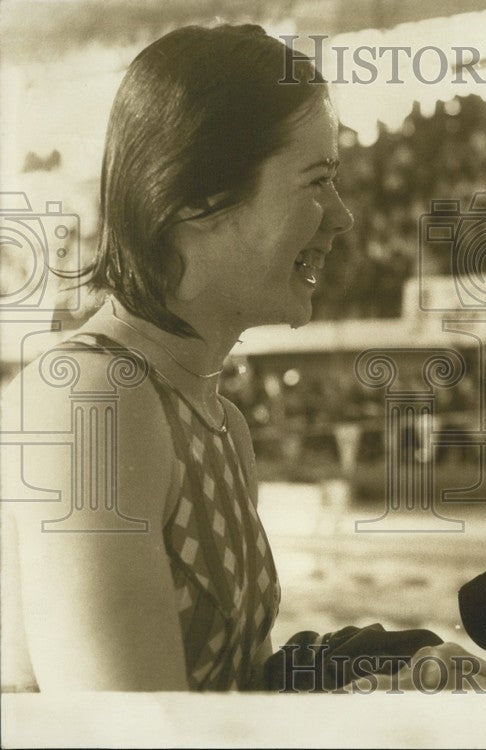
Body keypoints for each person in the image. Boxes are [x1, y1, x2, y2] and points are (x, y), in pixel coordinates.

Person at [0, 24, 362, 691]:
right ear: (198, 198)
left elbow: (225, 696)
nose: (342, 218)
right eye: (317, 182)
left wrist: (366, 671)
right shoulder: (90, 403)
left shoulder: (217, 422)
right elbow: (125, 735)